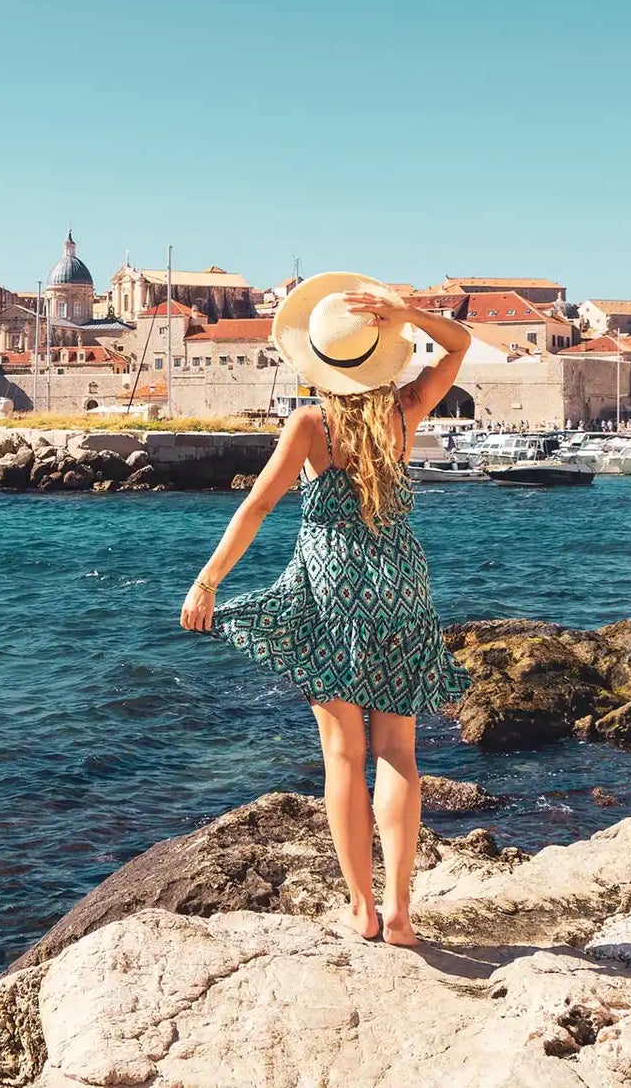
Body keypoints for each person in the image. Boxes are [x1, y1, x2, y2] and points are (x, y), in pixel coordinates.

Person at [179, 273, 473, 947]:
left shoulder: (312, 424)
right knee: (399, 751)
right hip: (402, 584)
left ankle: (361, 909)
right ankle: (400, 911)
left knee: (343, 755)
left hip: (333, 588)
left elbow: (256, 506)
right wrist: (407, 311)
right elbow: (458, 346)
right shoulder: (404, 411)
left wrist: (208, 581)